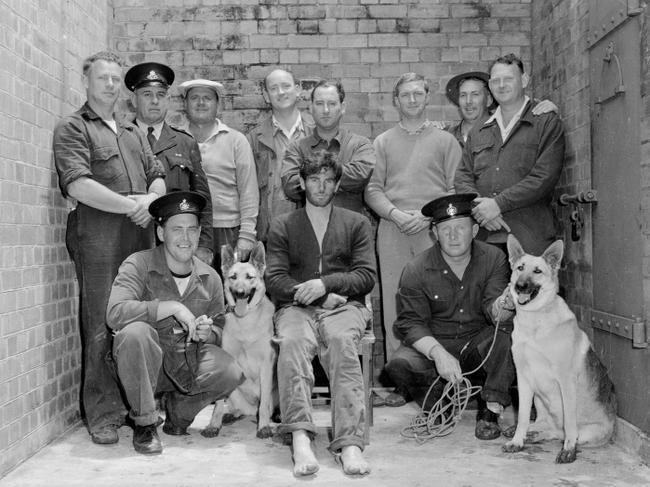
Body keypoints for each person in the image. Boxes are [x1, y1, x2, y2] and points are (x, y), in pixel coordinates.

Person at [52, 51, 166, 445]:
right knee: (101, 324)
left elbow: (158, 176)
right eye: (103, 78)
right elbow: (78, 185)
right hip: (98, 240)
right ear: (86, 80)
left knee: (139, 321)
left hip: (139, 240)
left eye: (116, 79)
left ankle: (141, 410)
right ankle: (102, 415)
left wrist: (151, 202)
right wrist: (132, 205)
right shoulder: (73, 127)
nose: (111, 85)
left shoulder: (134, 132)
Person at [106, 191, 244, 455]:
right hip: (144, 367)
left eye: (192, 230)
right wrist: (169, 307)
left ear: (200, 232)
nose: (185, 238)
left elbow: (219, 328)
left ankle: (178, 413)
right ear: (160, 233)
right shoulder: (139, 265)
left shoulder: (210, 278)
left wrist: (208, 333)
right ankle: (145, 423)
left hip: (185, 365)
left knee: (230, 370)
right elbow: (115, 312)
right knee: (135, 333)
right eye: (176, 229)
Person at [266, 151, 376, 476]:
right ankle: (301, 438)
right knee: (293, 343)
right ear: (301, 183)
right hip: (296, 307)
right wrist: (310, 295)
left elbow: (366, 275)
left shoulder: (356, 223)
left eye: (329, 180)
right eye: (314, 179)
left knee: (343, 343)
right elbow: (275, 278)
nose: (321, 186)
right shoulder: (283, 225)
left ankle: (349, 444)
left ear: (338, 184)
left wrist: (325, 285)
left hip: (344, 306)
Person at [364, 72, 462, 407]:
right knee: (395, 301)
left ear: (427, 97)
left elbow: (455, 188)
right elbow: (373, 189)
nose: (412, 100)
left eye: (418, 94)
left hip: (433, 228)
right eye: (405, 95)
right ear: (396, 100)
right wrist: (395, 214)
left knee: (436, 299)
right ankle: (401, 381)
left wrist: (429, 215)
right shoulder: (382, 142)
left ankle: (437, 378)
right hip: (393, 229)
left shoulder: (445, 141)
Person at [385, 193, 516, 440]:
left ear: (475, 230)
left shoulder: (494, 259)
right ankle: (438, 402)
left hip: (476, 348)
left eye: (461, 228)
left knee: (504, 335)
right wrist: (438, 354)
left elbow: (495, 312)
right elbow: (410, 323)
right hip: (437, 347)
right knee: (398, 365)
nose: (453, 236)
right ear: (434, 232)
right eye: (445, 229)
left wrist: (505, 304)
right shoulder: (416, 268)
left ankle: (490, 409)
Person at [454, 54, 566, 256]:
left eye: (508, 79)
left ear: (524, 80)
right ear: (490, 85)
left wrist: (498, 204)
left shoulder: (545, 122)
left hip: (529, 238)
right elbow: (463, 177)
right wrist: (481, 211)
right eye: (496, 81)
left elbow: (544, 177)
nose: (501, 85)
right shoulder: (479, 129)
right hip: (485, 239)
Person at [125, 62, 214, 264]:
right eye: (147, 94)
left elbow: (203, 199)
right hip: (131, 241)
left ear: (168, 99)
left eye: (161, 94)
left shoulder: (185, 142)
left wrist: (204, 245)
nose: (155, 101)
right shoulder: (119, 138)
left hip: (176, 246)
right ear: (133, 99)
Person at [179, 78, 259, 269]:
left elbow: (249, 191)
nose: (200, 103)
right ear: (185, 104)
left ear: (218, 104)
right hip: (186, 229)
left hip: (227, 231)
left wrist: (247, 235)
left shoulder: (236, 141)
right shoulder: (175, 139)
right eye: (194, 98)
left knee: (228, 293)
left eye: (207, 98)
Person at [281, 79, 375, 215]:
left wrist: (310, 176)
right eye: (319, 104)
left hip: (349, 231)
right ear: (311, 108)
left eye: (332, 104)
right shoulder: (296, 148)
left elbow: (360, 177)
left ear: (342, 108)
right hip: (308, 231)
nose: (326, 110)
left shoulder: (360, 145)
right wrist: (338, 177)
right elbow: (290, 186)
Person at [247, 68, 315, 244]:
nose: (281, 92)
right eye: (274, 88)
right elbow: (247, 191)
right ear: (266, 95)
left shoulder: (316, 133)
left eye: (286, 86)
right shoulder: (254, 139)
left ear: (298, 89)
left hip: (312, 232)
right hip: (270, 235)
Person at [445, 70, 558, 149]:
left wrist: (548, 113)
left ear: (488, 100)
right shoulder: (446, 136)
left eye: (475, 94)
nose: (468, 101)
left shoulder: (506, 129)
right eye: (463, 95)